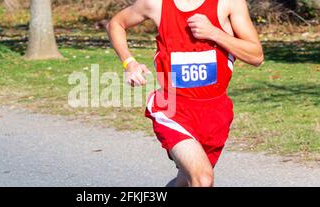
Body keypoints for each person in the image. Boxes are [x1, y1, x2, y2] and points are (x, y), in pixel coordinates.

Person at [107, 0, 264, 187]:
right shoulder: (156, 4)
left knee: (186, 180)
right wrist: (129, 62)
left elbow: (256, 56)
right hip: (172, 109)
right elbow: (116, 23)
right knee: (203, 179)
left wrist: (214, 33)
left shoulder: (229, 3)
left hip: (215, 113)